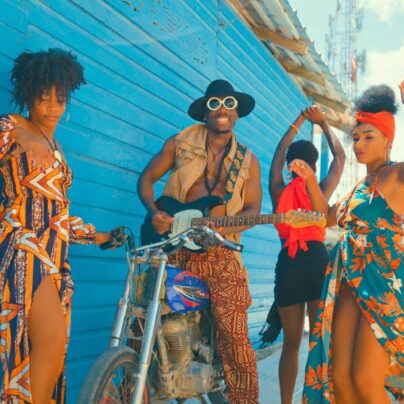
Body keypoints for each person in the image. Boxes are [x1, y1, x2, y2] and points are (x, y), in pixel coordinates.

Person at [138, 79, 262, 403]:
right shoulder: (179, 143)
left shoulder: (248, 161)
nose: (222, 109)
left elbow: (252, 211)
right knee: (142, 319)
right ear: (205, 112)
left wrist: (221, 225)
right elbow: (147, 179)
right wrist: (154, 212)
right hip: (175, 247)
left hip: (220, 251)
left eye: (229, 104)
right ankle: (133, 391)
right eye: (214, 103)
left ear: (237, 113)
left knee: (234, 334)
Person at [0, 49, 112, 403]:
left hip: (53, 256)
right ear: (28, 95)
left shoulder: (57, 147)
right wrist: (20, 135)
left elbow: (57, 213)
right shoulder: (10, 126)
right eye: (42, 97)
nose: (51, 106)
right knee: (50, 339)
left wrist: (99, 236)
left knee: (48, 351)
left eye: (59, 99)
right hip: (21, 246)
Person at [292, 85, 404, 403]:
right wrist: (310, 180)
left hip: (382, 285)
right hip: (348, 283)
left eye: (369, 136)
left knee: (365, 379)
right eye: (355, 138)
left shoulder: (397, 175)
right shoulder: (359, 187)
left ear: (388, 139)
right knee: (339, 378)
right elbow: (327, 217)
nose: (359, 144)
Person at [264, 105, 345, 404]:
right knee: (318, 342)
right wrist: (322, 123)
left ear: (290, 165)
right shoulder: (320, 190)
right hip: (315, 263)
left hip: (289, 264)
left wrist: (300, 119)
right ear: (314, 164)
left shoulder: (278, 190)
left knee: (291, 344)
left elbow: (279, 151)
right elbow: (340, 158)